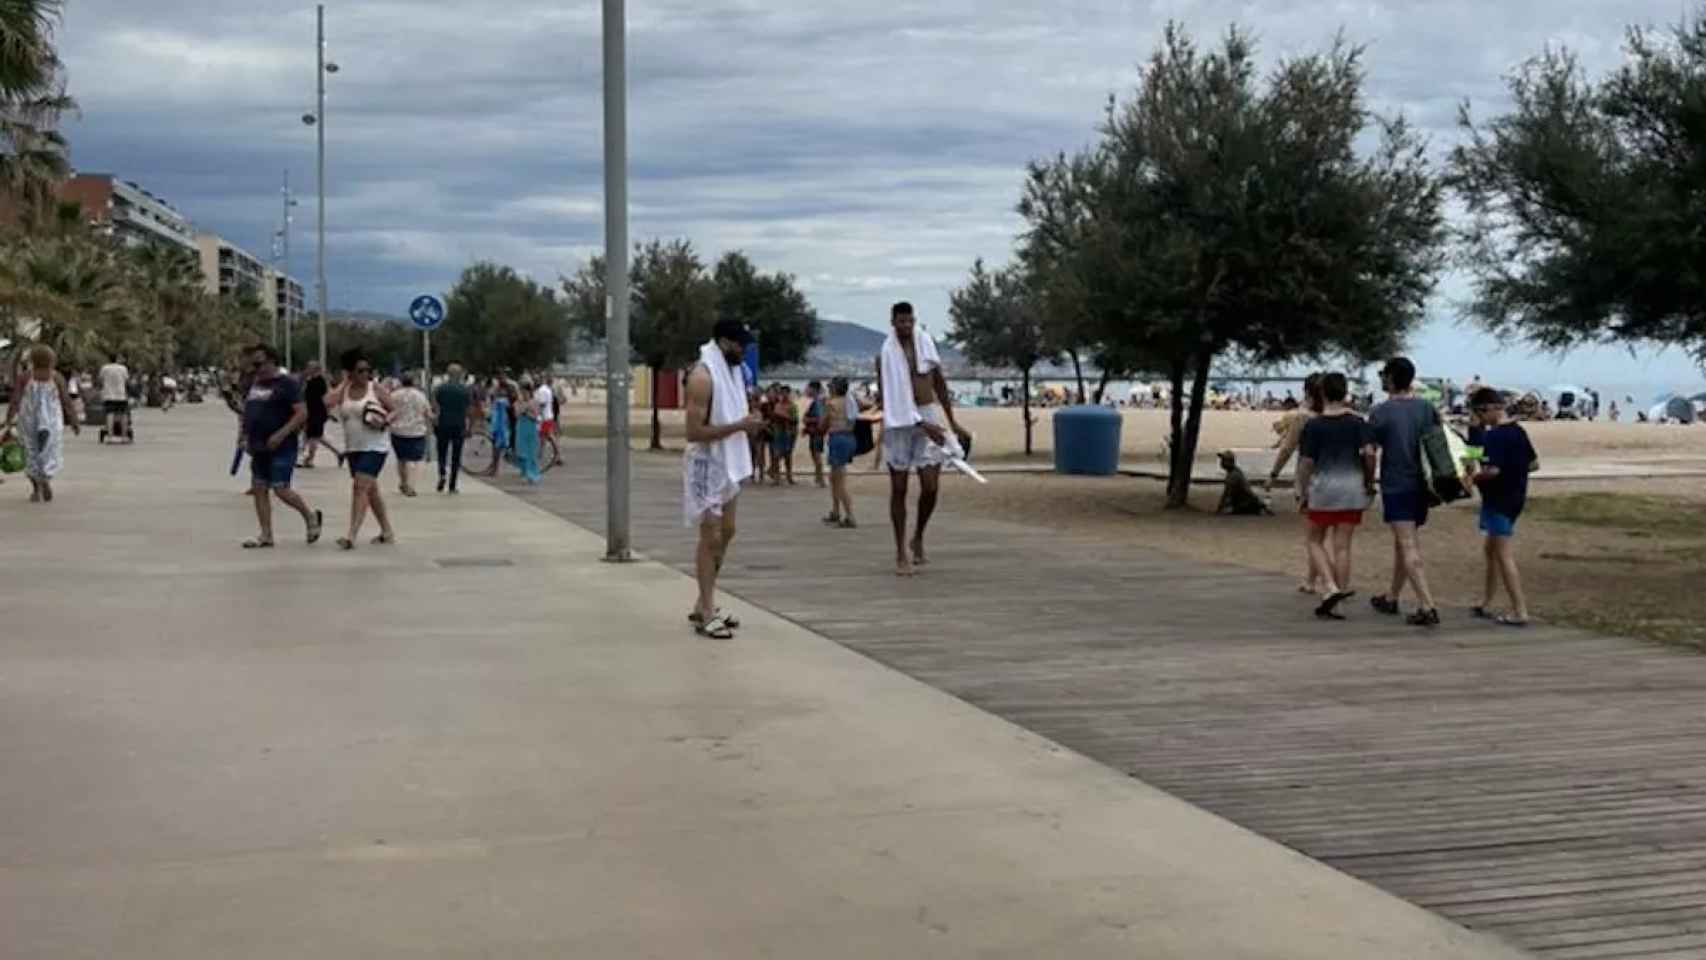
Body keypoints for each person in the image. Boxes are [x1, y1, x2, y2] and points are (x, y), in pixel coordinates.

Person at [876, 301, 970, 577]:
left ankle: (917, 535)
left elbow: (939, 384)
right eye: (901, 322)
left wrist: (951, 421)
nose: (906, 326)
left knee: (930, 486)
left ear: (914, 321)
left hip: (927, 412)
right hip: (899, 420)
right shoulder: (885, 354)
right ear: (892, 322)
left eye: (909, 321)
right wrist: (908, 422)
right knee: (899, 487)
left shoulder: (926, 346)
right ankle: (900, 552)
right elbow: (887, 396)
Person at [683, 319, 764, 639]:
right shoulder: (702, 377)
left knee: (728, 531)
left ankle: (704, 600)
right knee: (710, 536)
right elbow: (693, 432)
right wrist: (740, 426)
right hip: (707, 464)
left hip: (729, 462)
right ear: (722, 342)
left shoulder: (733, 372)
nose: (743, 349)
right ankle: (705, 612)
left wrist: (747, 425)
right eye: (739, 344)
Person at [1368, 357, 1443, 627]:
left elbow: (1369, 451)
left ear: (1389, 378)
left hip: (1397, 483)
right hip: (1422, 485)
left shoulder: (1380, 412)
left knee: (1408, 545)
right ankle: (1391, 596)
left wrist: (1368, 480)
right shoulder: (1426, 408)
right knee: (1403, 541)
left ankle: (1427, 605)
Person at [1295, 373, 1375, 621]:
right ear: (1345, 392)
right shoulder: (1358, 423)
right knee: (1343, 546)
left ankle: (1329, 587)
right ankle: (1338, 600)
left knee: (1313, 540)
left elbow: (1306, 462)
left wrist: (1302, 489)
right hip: (1352, 488)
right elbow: (1370, 454)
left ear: (1322, 394)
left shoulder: (1314, 425)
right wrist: (1369, 481)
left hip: (1323, 488)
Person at [238, 344, 323, 548]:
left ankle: (310, 517)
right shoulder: (255, 383)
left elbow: (301, 413)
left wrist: (281, 433)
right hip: (258, 445)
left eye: (259, 363)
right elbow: (247, 412)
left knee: (280, 489)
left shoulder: (287, 384)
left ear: (272, 361)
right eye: (253, 364)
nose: (256, 368)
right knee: (259, 488)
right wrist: (243, 436)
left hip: (282, 445)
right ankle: (266, 534)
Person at [1468, 387, 1539, 627]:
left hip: (1500, 500)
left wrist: (1472, 479)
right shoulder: (1518, 432)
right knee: (1490, 551)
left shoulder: (1497, 436)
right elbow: (1533, 464)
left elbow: (1492, 470)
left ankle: (1520, 610)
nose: (1478, 418)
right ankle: (1487, 601)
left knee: (1503, 554)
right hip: (1515, 497)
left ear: (1489, 409)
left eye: (1478, 413)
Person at [327, 349, 396, 549]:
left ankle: (351, 535)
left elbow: (394, 409)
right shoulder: (345, 391)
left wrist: (384, 421)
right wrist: (343, 384)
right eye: (360, 371)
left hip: (375, 446)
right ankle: (387, 530)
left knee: (359, 487)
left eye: (368, 370)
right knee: (371, 491)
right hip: (354, 448)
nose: (365, 374)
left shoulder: (375, 389)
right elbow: (327, 402)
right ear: (350, 373)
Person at [1269, 373, 1326, 593]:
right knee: (1323, 535)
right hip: (1332, 477)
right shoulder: (1332, 416)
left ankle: (1320, 581)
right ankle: (1313, 579)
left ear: (1307, 391)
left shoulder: (1303, 417)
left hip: (1307, 480)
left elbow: (1287, 448)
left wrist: (1274, 474)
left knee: (1313, 536)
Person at [3, 344, 79, 502]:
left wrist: (9, 419)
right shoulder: (56, 377)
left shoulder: (25, 377)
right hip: (51, 420)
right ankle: (46, 478)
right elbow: (66, 400)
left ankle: (36, 489)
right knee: (48, 451)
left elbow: (16, 399)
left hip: (28, 419)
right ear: (52, 360)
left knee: (30, 452)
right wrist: (73, 420)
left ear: (32, 359)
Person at [822, 377, 859, 528]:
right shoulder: (850, 402)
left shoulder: (832, 403)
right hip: (849, 438)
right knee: (834, 477)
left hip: (838, 438)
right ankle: (835, 511)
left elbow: (824, 422)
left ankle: (850, 515)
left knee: (839, 480)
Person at [388, 373, 431, 497]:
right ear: (414, 382)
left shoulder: (394, 395)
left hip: (398, 431)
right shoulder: (420, 396)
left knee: (401, 459)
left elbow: (389, 411)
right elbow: (427, 412)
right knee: (415, 460)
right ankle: (411, 485)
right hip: (417, 431)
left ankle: (403, 482)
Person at [433, 362, 472, 494]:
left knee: (442, 452)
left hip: (443, 423)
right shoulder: (465, 390)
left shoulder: (440, 389)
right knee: (456, 455)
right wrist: (469, 426)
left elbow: (435, 406)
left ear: (448, 374)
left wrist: (436, 420)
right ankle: (452, 484)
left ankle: (442, 473)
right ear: (460, 375)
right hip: (459, 425)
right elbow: (468, 410)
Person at [298, 361, 343, 468]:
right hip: (311, 411)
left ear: (316, 369)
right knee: (314, 435)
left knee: (313, 436)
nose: (307, 369)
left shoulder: (320, 382)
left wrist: (328, 412)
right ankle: (339, 453)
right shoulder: (310, 380)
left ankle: (309, 460)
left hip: (317, 412)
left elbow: (326, 398)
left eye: (309, 368)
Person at [480, 378, 513, 477]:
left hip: (500, 426)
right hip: (499, 425)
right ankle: (494, 467)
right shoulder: (502, 399)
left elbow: (497, 413)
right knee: (495, 447)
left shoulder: (501, 400)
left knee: (496, 447)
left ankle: (495, 469)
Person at [514, 377, 544, 485]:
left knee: (531, 452)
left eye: (525, 391)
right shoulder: (518, 402)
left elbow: (535, 415)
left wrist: (526, 410)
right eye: (522, 391)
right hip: (521, 427)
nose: (523, 393)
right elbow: (517, 413)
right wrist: (525, 408)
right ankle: (525, 473)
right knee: (521, 452)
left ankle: (533, 474)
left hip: (531, 428)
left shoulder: (535, 402)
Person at [769, 384, 800, 485]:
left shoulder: (792, 406)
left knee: (788, 455)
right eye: (782, 393)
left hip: (789, 432)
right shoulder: (778, 405)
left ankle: (789, 476)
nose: (784, 395)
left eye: (786, 393)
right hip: (779, 432)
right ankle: (777, 477)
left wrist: (784, 417)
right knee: (777, 455)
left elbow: (795, 420)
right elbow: (774, 418)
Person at [98, 352, 131, 443]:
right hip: (121, 394)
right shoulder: (123, 368)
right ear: (117, 358)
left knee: (110, 415)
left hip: (108, 395)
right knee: (123, 415)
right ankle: (124, 437)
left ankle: (110, 436)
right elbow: (127, 380)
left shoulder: (104, 368)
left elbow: (100, 379)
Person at [803, 381, 827, 488]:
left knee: (816, 455)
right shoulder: (818, 401)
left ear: (814, 389)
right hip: (816, 432)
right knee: (815, 454)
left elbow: (819, 418)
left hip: (816, 432)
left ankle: (820, 478)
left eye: (808, 388)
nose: (806, 390)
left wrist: (807, 419)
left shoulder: (817, 402)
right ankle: (818, 477)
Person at [535, 376, 561, 468]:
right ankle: (541, 454)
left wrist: (536, 413)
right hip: (547, 416)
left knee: (547, 436)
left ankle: (556, 454)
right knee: (544, 436)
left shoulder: (542, 391)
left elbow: (542, 404)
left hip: (544, 417)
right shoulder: (546, 390)